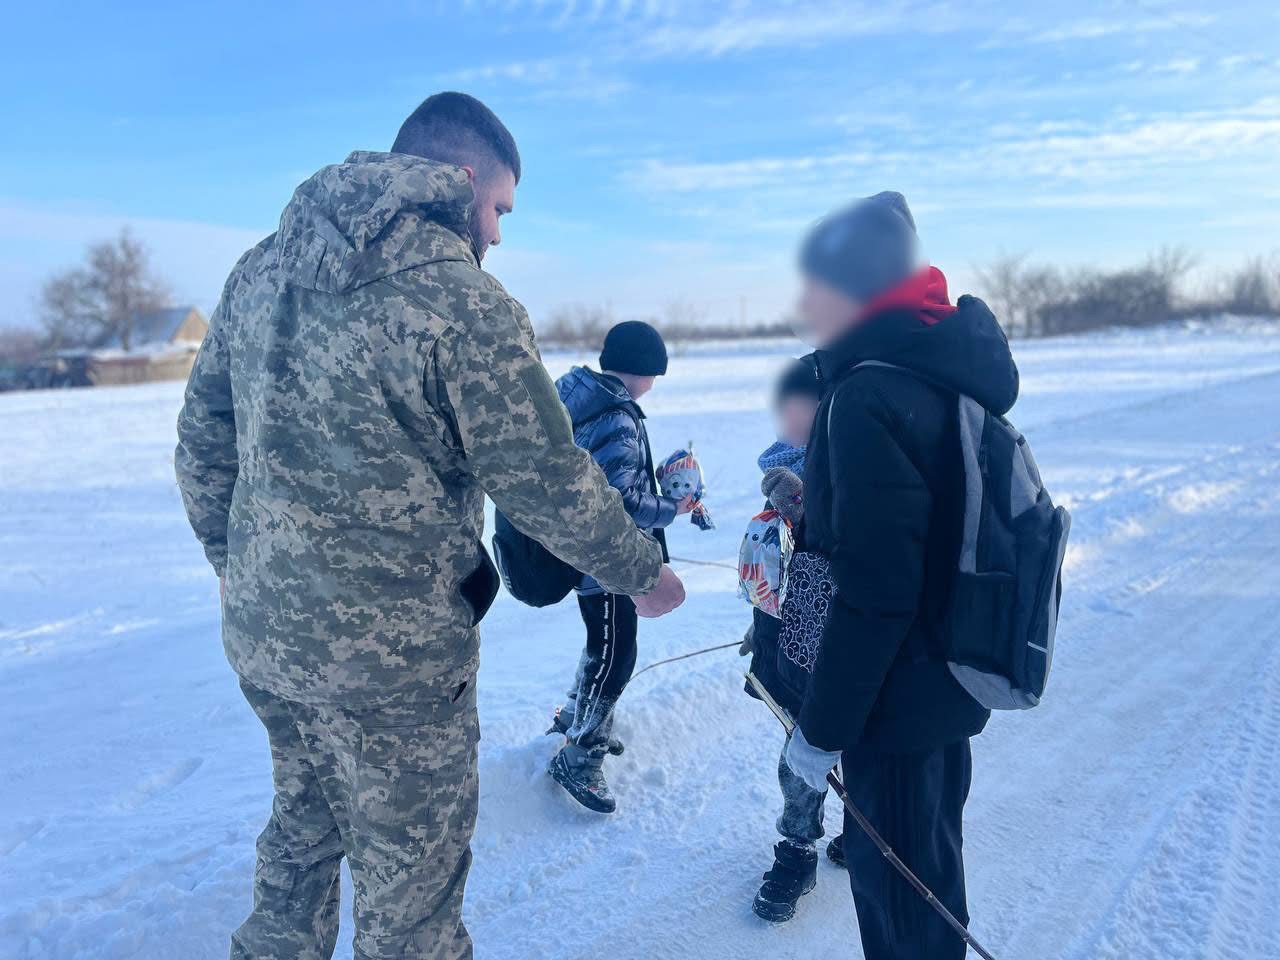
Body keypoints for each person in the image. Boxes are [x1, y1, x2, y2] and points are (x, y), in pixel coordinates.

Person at [174, 92, 685, 960]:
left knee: (300, 839)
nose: (499, 233)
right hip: (396, 670)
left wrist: (236, 564)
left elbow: (202, 442)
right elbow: (545, 478)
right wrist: (642, 571)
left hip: (270, 641)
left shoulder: (260, 271)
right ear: (462, 180)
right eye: (501, 208)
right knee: (410, 905)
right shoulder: (462, 302)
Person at [781, 191, 1019, 959]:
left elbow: (876, 592)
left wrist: (821, 731)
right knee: (929, 893)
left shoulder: (864, 393)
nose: (803, 303)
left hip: (895, 702)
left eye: (817, 284)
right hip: (945, 679)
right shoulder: (936, 369)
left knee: (907, 919)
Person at [545, 321, 694, 813]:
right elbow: (621, 500)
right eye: (654, 374)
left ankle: (574, 717)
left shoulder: (583, 397)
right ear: (642, 370)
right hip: (609, 558)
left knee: (602, 642)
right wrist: (672, 508)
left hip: (585, 552)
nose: (654, 384)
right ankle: (580, 755)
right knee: (616, 654)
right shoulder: (615, 415)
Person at [740, 357, 839, 923]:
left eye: (800, 405)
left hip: (842, 643)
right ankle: (798, 849)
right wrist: (759, 624)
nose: (788, 418)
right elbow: (774, 565)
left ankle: (861, 831)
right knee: (798, 752)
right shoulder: (781, 468)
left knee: (848, 743)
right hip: (787, 641)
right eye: (783, 407)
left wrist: (805, 508)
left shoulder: (851, 464)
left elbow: (845, 549)